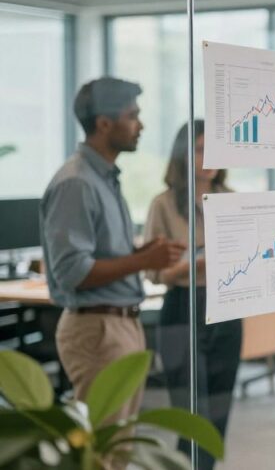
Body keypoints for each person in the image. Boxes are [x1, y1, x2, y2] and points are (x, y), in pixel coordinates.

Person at [41, 77, 185, 426]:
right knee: (101, 453)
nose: (141, 124)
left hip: (119, 324)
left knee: (117, 447)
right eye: (132, 115)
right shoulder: (77, 182)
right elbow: (73, 272)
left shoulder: (102, 177)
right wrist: (141, 261)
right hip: (97, 330)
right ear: (104, 123)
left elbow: (100, 253)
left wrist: (141, 252)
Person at [144, 120, 242, 470]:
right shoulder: (164, 204)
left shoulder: (231, 201)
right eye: (201, 148)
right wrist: (194, 262)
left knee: (217, 416)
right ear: (184, 153)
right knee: (190, 416)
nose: (209, 156)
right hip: (182, 308)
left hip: (226, 309)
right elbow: (154, 273)